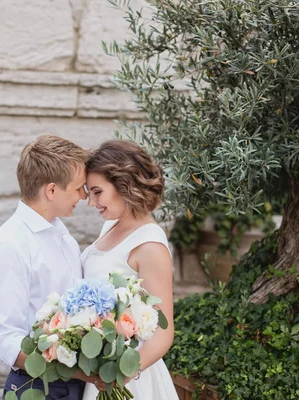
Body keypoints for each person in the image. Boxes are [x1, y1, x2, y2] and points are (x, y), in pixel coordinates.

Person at [0, 134, 94, 400]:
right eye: (78, 187)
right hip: (38, 387)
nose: (84, 195)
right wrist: (82, 372)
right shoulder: (9, 245)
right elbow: (6, 340)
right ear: (51, 190)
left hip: (77, 386)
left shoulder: (63, 236)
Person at [81, 140, 179, 399]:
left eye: (97, 191)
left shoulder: (149, 245)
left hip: (130, 381)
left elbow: (163, 333)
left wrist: (122, 375)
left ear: (124, 185)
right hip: (100, 371)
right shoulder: (112, 226)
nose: (91, 202)